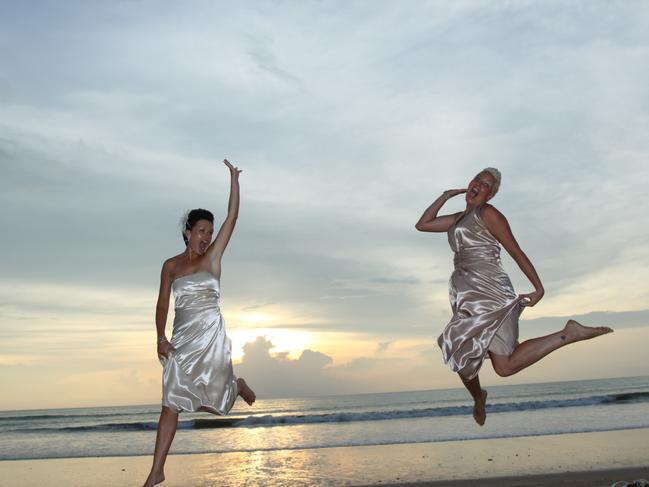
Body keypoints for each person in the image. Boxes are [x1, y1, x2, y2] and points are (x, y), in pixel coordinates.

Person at [415, 168, 612, 426]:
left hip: (491, 292)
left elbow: (515, 251)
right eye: (477, 179)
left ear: (490, 194)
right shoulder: (457, 218)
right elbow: (423, 224)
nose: (479, 185)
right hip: (465, 293)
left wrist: (539, 287)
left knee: (503, 367)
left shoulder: (488, 213)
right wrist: (446, 195)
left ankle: (569, 334)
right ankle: (479, 397)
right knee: (463, 355)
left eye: (486, 184)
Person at [143, 159, 256, 487]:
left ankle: (236, 386)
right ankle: (156, 471)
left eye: (210, 231)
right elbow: (163, 302)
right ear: (188, 232)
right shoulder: (171, 266)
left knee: (218, 405)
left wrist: (234, 180)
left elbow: (233, 218)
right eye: (202, 231)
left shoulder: (213, 258)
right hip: (181, 340)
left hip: (211, 338)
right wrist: (160, 337)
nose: (207, 237)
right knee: (170, 403)